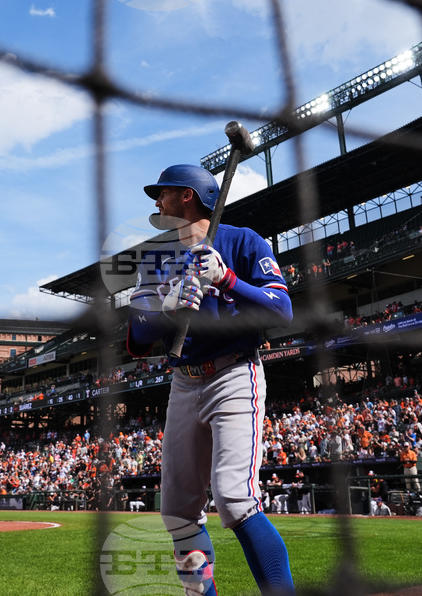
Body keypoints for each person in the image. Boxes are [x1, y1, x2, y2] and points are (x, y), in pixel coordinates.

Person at [127, 164, 296, 595]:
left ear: (188, 195)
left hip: (234, 372)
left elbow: (281, 311)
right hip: (183, 382)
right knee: (178, 515)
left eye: (162, 193)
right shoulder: (155, 258)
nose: (156, 201)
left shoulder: (242, 240)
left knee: (235, 500)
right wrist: (167, 305)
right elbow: (137, 338)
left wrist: (227, 279)